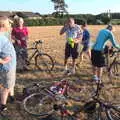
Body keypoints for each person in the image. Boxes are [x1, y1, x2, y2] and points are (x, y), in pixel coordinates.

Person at [0, 16, 16, 111]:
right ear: (3, 25)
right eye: (8, 24)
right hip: (7, 67)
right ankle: (3, 105)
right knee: (6, 87)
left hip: (10, 66)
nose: (10, 25)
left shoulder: (3, 34)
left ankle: (11, 96)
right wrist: (3, 61)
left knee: (10, 83)